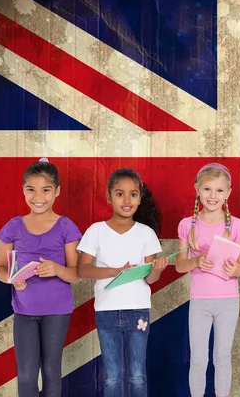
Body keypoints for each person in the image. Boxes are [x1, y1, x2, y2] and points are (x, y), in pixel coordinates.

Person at [0, 158, 81, 397]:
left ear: (57, 192)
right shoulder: (13, 227)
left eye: (45, 189)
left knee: (52, 371)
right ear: (23, 190)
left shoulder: (66, 227)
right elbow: (1, 267)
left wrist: (56, 269)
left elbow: (75, 273)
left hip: (57, 311)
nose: (38, 196)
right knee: (26, 374)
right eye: (31, 189)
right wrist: (10, 279)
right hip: (24, 311)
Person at [77, 168, 168, 397]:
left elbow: (149, 278)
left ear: (140, 198)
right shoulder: (96, 231)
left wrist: (156, 270)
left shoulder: (146, 234)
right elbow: (83, 269)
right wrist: (115, 271)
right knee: (112, 375)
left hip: (138, 309)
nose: (127, 200)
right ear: (109, 197)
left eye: (133, 194)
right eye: (120, 194)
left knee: (137, 374)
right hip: (106, 311)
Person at [175, 163, 240, 397]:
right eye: (207, 189)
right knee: (198, 358)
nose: (212, 196)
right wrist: (196, 262)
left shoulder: (236, 226)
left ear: (228, 193)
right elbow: (179, 265)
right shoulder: (187, 225)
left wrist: (234, 269)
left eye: (219, 190)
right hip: (200, 301)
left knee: (222, 357)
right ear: (197, 189)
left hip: (228, 301)